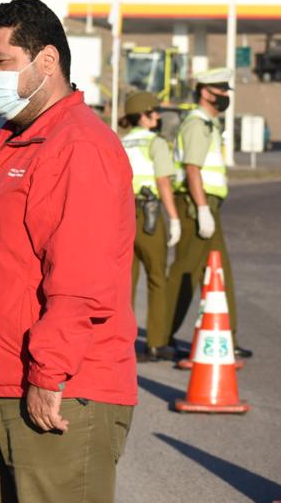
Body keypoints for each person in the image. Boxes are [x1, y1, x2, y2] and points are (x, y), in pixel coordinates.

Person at [0, 0, 137, 503]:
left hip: (56, 392)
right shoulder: (13, 145)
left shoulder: (77, 146)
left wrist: (47, 374)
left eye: (1, 62)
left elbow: (80, 280)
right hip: (2, 385)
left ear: (48, 62)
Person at [165, 68, 251, 358]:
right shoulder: (197, 123)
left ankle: (227, 335)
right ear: (205, 91)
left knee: (219, 271)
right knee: (186, 272)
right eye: (221, 90)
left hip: (207, 205)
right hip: (194, 205)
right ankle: (160, 335)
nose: (226, 96)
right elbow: (192, 170)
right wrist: (202, 209)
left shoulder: (209, 124)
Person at [119, 91, 180, 363]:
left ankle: (123, 344)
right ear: (143, 115)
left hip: (122, 215)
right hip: (149, 214)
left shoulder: (121, 142)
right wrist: (174, 218)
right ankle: (156, 343)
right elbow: (164, 182)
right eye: (154, 112)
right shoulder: (156, 143)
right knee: (158, 277)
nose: (157, 116)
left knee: (125, 282)